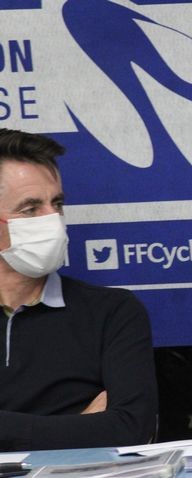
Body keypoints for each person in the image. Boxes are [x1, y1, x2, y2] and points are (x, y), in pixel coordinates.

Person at [0, 129, 157, 451]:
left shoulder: (113, 312)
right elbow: (107, 431)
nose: (53, 220)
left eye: (57, 204)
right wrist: (80, 427)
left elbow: (131, 430)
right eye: (30, 209)